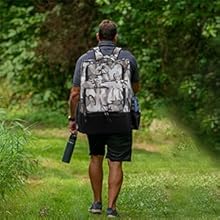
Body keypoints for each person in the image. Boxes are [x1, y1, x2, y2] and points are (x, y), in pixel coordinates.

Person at [68, 19, 139, 218]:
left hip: (93, 117)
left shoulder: (84, 59)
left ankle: (97, 203)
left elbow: (75, 93)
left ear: (98, 37)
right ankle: (112, 208)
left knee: (95, 157)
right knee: (116, 162)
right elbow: (136, 89)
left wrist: (72, 118)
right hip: (121, 117)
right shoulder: (128, 58)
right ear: (115, 37)